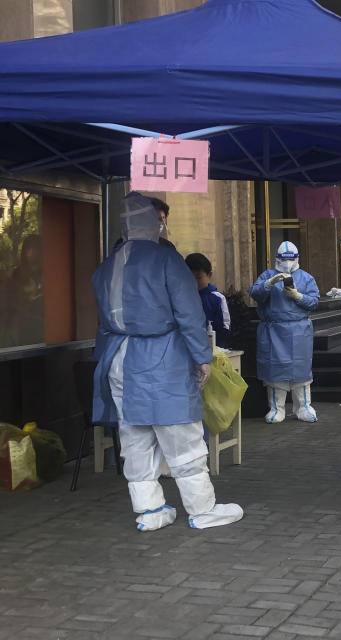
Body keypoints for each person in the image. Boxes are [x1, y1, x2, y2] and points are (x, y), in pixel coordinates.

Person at [91, 192, 242, 531]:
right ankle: (202, 510)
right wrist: (202, 356)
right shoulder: (166, 260)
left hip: (119, 361)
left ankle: (149, 511)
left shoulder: (106, 266)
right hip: (163, 358)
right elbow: (188, 314)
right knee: (182, 437)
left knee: (135, 438)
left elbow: (102, 325)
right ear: (153, 222)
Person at [249, 241, 320, 423]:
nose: (287, 263)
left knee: (301, 370)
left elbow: (313, 301)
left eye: (291, 260)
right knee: (275, 370)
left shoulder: (306, 278)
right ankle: (276, 407)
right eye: (283, 259)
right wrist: (268, 284)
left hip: (299, 331)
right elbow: (255, 293)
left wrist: (298, 296)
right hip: (274, 331)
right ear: (277, 259)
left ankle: (303, 406)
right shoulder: (268, 275)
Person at [185, 253, 231, 348]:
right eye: (189, 277)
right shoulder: (182, 297)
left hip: (214, 347)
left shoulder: (217, 298)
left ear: (209, 275)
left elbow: (225, 326)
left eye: (198, 277)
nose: (194, 281)